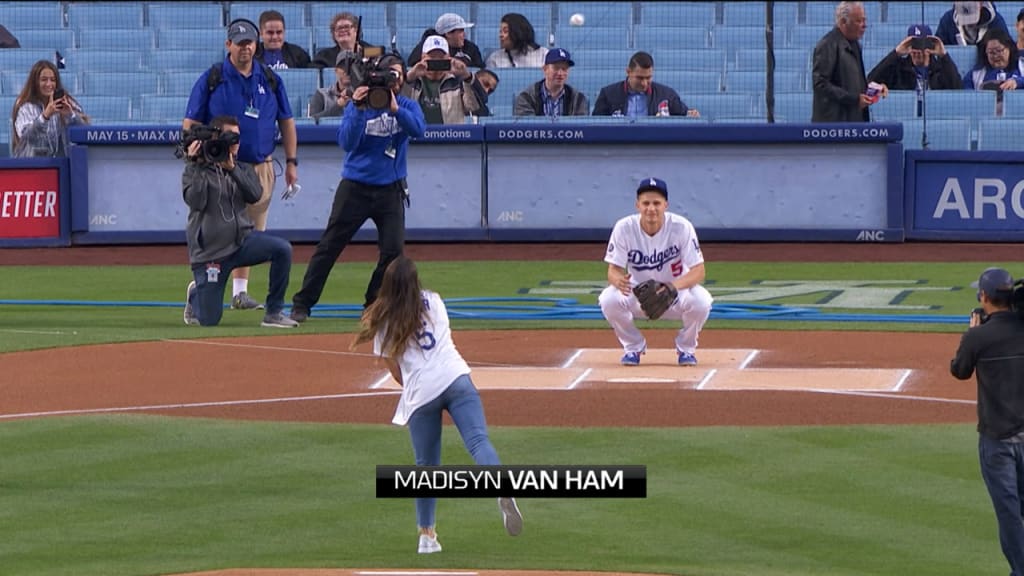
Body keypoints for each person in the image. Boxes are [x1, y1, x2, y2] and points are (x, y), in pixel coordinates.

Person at [350, 255, 523, 553]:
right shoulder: (435, 301)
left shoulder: (382, 320)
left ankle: (426, 536)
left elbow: (395, 369)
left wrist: (418, 388)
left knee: (426, 467)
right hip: (456, 377)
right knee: (478, 441)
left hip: (421, 392)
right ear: (416, 282)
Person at [290, 56, 426, 323]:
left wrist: (396, 109)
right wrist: (358, 108)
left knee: (393, 252)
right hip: (355, 187)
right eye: (389, 75)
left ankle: (373, 304)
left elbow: (418, 129)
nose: (393, 81)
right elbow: (347, 142)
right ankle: (302, 303)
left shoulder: (407, 105)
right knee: (329, 246)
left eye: (398, 76)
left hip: (390, 188)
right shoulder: (359, 105)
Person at [184, 18, 299, 311]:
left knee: (251, 230)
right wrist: (192, 152)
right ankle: (203, 286)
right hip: (218, 167)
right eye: (239, 43)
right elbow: (191, 120)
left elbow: (286, 121)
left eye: (249, 42)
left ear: (255, 44)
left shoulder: (270, 79)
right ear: (228, 45)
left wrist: (291, 161)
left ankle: (239, 292)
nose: (245, 48)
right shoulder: (212, 78)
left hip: (259, 166)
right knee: (219, 231)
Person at [181, 115, 298, 329]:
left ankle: (274, 313)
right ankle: (196, 294)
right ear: (217, 137)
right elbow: (196, 201)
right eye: (230, 137)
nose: (236, 143)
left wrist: (232, 169)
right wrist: (196, 165)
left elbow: (255, 195)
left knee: (282, 249)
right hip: (211, 252)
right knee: (209, 320)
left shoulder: (241, 168)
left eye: (238, 138)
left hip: (242, 242)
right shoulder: (194, 171)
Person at [950, 267, 1024, 576]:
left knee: (1008, 511)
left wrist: (974, 331)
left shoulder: (978, 336)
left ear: (984, 297)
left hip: (997, 439)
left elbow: (959, 370)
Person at [598, 177, 713, 367]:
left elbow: (699, 271)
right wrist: (618, 281)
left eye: (656, 203)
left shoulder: (681, 227)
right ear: (638, 205)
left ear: (665, 205)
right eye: (646, 203)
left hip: (676, 293)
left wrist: (671, 287)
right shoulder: (624, 228)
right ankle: (633, 346)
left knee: (702, 301)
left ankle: (686, 348)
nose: (651, 208)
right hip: (639, 294)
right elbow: (613, 270)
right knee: (608, 299)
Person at [812, 1, 888, 122]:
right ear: (843, 22)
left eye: (864, 20)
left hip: (855, 120)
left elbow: (854, 84)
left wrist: (875, 89)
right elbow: (820, 83)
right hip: (834, 124)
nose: (864, 25)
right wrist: (854, 100)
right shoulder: (827, 45)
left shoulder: (855, 45)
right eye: (859, 21)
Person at [10, 59, 89, 158]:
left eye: (53, 80)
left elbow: (85, 133)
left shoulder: (67, 103)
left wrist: (71, 115)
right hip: (29, 165)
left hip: (59, 166)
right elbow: (27, 137)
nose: (49, 84)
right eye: (44, 80)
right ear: (35, 83)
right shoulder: (25, 107)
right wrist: (45, 116)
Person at [592, 51, 700, 118]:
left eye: (648, 78)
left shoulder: (667, 95)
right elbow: (596, 124)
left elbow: (686, 116)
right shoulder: (608, 94)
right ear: (628, 72)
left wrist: (692, 114)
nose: (644, 83)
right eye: (639, 78)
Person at [402, 35, 482, 124]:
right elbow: (397, 105)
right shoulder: (412, 81)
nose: (436, 60)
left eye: (440, 57)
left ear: (449, 58)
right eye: (432, 56)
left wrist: (466, 76)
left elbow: (475, 107)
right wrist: (408, 78)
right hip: (418, 136)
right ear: (423, 57)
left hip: (450, 135)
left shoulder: (457, 81)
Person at [867, 24, 963, 91]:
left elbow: (958, 89)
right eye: (914, 44)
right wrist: (896, 53)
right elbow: (871, 81)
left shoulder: (940, 68)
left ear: (930, 45)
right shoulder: (899, 68)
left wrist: (944, 55)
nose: (918, 51)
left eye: (922, 44)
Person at [513, 48, 589, 117]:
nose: (560, 73)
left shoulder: (578, 99)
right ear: (545, 69)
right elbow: (527, 128)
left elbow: (580, 128)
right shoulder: (526, 97)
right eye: (556, 68)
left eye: (564, 69)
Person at [406, 13, 486, 70]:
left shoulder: (471, 48)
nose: (464, 35)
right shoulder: (427, 46)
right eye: (461, 31)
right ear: (448, 33)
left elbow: (480, 71)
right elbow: (412, 67)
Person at [312, 12, 380, 69]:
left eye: (347, 27)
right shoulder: (324, 56)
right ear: (334, 34)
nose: (343, 30)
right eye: (339, 28)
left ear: (356, 30)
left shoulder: (373, 51)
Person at [936, 1, 1008, 47]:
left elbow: (1007, 48)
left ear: (981, 4)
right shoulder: (948, 19)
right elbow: (938, 48)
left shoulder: (996, 22)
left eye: (972, 16)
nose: (969, 22)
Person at [309, 52, 353, 119]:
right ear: (336, 71)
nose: (347, 70)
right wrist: (338, 106)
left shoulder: (364, 94)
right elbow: (312, 121)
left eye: (351, 66)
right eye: (343, 66)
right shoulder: (321, 94)